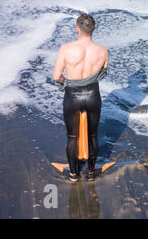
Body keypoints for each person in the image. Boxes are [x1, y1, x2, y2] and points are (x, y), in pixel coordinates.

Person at [53, 14, 109, 181]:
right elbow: (103, 73)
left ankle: (73, 174)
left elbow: (56, 76)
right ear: (93, 29)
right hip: (93, 96)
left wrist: (66, 83)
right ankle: (91, 173)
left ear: (77, 29)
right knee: (93, 136)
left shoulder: (66, 48)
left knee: (72, 136)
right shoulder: (103, 51)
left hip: (72, 96)